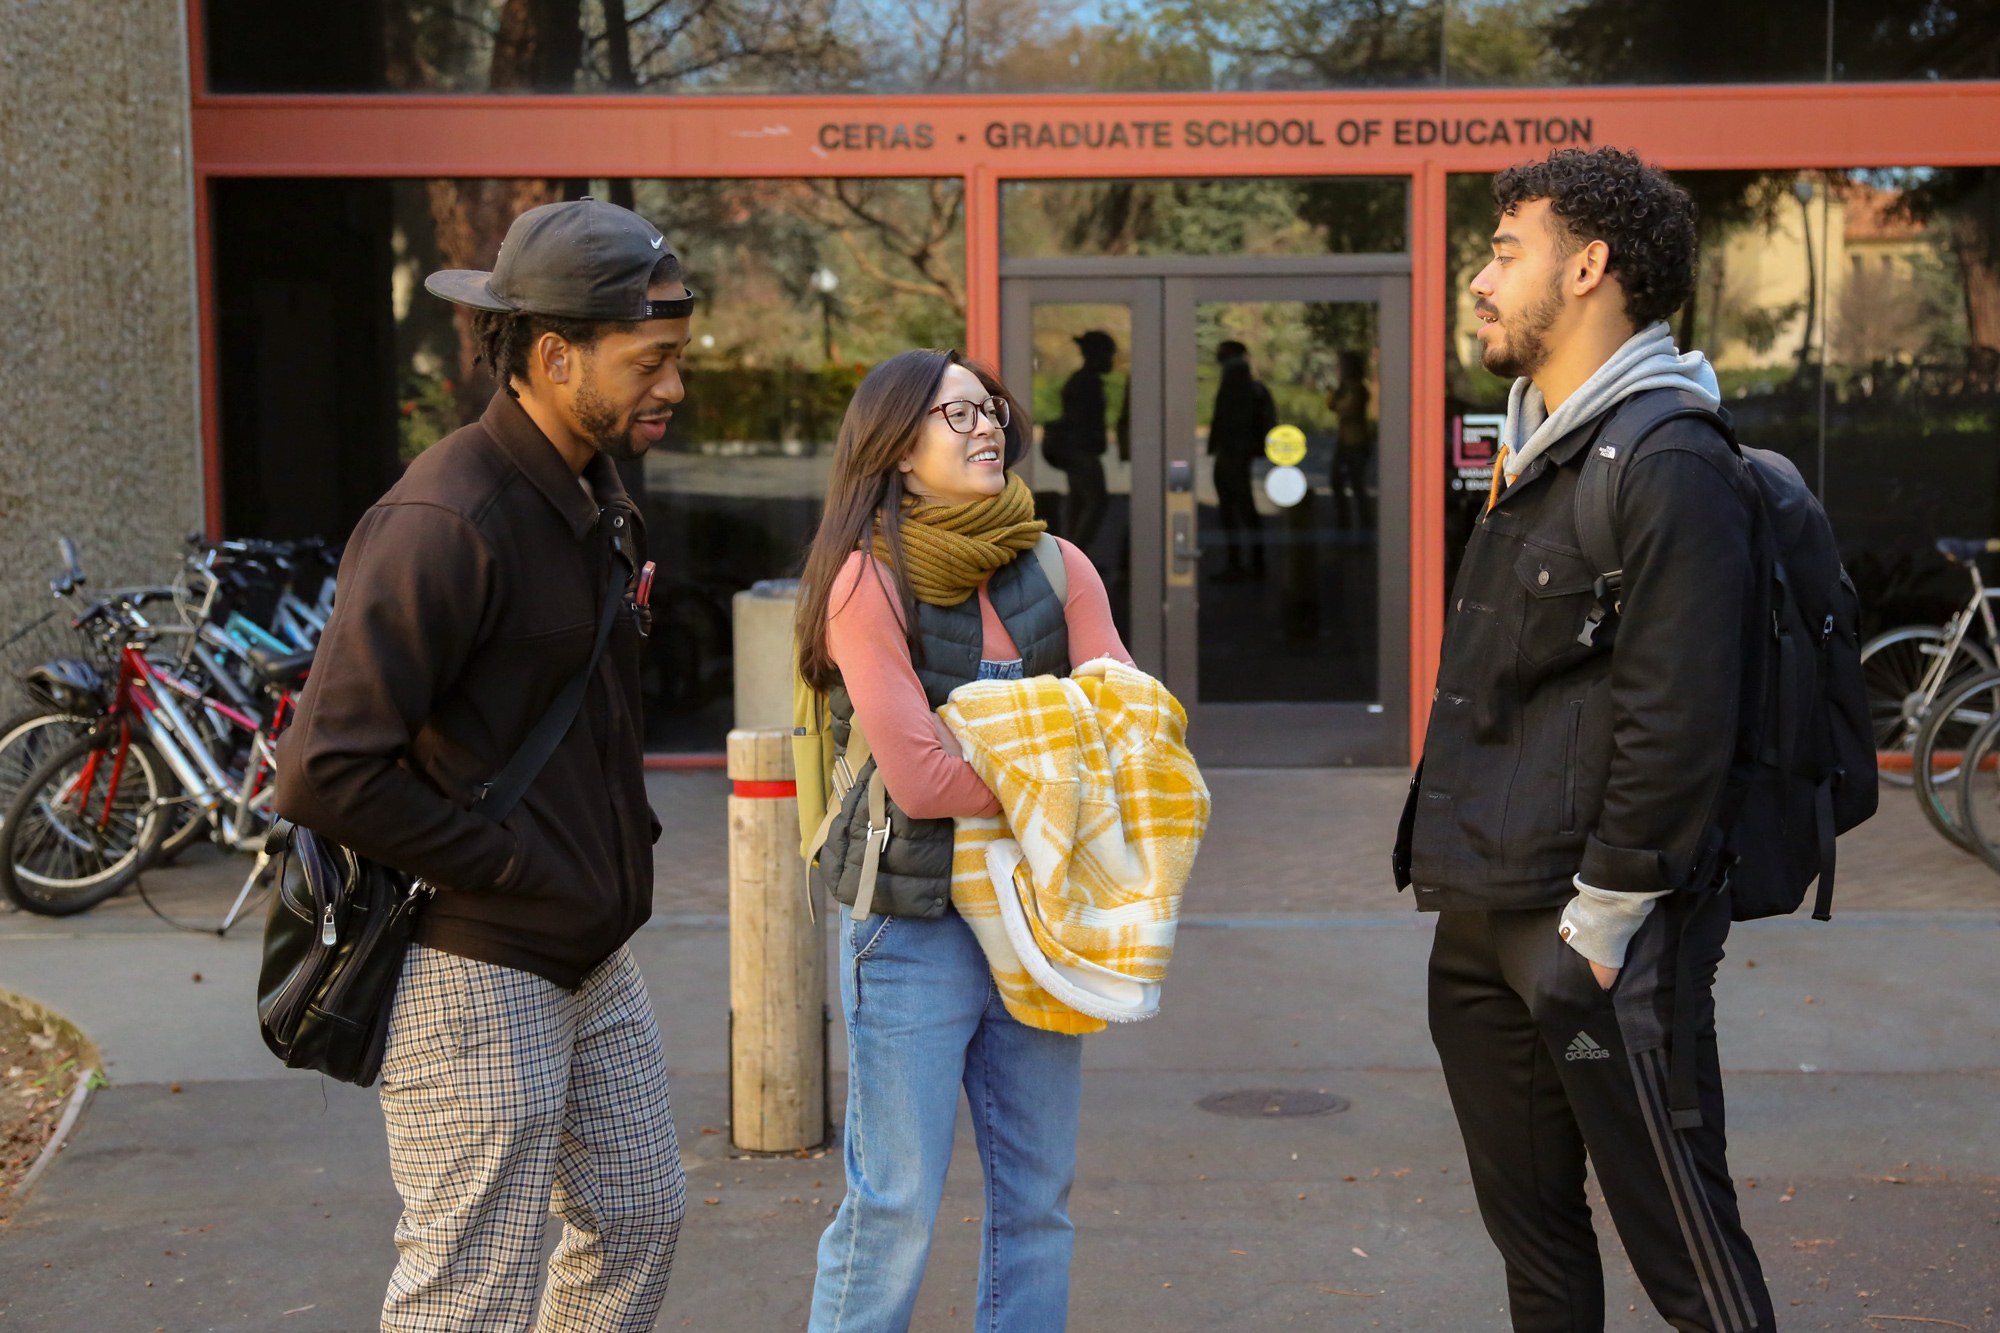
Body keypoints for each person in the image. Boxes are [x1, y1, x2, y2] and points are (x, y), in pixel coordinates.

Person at [274, 199, 692, 1333]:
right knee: (471, 1287)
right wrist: (508, 867)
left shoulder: (597, 497)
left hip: (588, 948)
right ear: (555, 357)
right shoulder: (446, 516)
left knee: (640, 1217)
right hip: (470, 964)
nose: (672, 388)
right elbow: (324, 771)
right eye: (648, 362)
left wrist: (604, 861)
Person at [1394, 148, 1776, 1332]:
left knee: (1682, 1249)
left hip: (1596, 927)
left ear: (1588, 266)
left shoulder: (1667, 459)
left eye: (1505, 250)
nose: (1478, 276)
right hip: (1481, 909)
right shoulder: (1541, 443)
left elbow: (1679, 717)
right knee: (1537, 1243)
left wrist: (1599, 927)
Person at [795, 349, 1132, 1332]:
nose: (985, 424)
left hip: (1038, 922)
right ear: (896, 451)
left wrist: (1019, 753)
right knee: (894, 1203)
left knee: (1037, 1202)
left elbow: (1124, 736)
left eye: (988, 408)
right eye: (955, 414)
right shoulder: (866, 581)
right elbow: (918, 778)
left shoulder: (1058, 566)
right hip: (912, 928)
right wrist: (1049, 763)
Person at [1207, 340, 1275, 581]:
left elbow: (1228, 420)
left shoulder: (1236, 382)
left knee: (1236, 508)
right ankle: (1253, 562)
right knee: (1240, 508)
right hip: (1237, 453)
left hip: (1233, 453)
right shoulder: (1251, 387)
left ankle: (1245, 563)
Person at [1042, 329, 1114, 551]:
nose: (1111, 361)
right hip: (1079, 450)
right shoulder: (1086, 382)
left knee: (1078, 502)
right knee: (1095, 502)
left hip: (1077, 450)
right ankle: (1076, 555)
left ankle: (1070, 554)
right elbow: (1080, 419)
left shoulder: (1085, 380)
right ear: (1096, 354)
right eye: (1108, 355)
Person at [1329, 348, 1373, 531]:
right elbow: (1332, 404)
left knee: (1357, 485)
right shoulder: (1344, 388)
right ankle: (1343, 523)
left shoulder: (1359, 389)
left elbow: (1347, 409)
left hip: (1357, 441)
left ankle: (1364, 525)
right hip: (1344, 440)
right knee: (1336, 481)